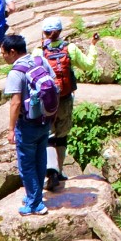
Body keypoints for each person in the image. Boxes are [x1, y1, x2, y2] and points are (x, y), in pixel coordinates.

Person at [0, 35, 57, 216]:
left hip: (27, 124)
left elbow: (15, 103)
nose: (2, 57)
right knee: (40, 159)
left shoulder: (16, 73)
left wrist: (10, 129)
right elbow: (54, 86)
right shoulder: (40, 61)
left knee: (26, 164)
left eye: (4, 53)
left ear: (13, 52)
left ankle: (35, 204)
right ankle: (35, 195)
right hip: (44, 120)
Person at [40, 17, 77, 189]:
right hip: (65, 98)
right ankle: (60, 172)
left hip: (47, 101)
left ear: (44, 32)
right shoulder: (70, 48)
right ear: (61, 31)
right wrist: (93, 46)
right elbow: (89, 65)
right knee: (62, 135)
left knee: (49, 135)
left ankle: (51, 171)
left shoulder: (38, 52)